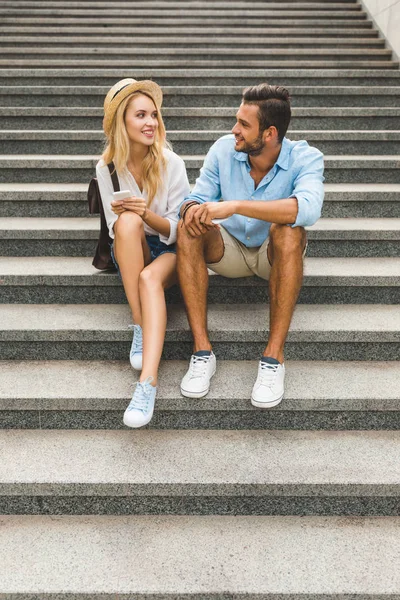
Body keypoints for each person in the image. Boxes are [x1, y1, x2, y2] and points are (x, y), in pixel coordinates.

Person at [177, 83, 324, 408]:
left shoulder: (305, 157)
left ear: (270, 133)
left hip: (273, 256)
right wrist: (191, 210)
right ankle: (202, 352)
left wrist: (235, 205)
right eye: (237, 120)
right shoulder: (223, 150)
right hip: (228, 250)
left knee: (289, 231)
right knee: (187, 228)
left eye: (244, 124)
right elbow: (196, 197)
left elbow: (308, 209)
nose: (235, 130)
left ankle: (273, 358)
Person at [96, 78, 190, 428]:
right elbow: (114, 229)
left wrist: (147, 214)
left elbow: (182, 229)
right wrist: (134, 217)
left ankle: (147, 383)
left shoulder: (171, 163)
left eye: (154, 115)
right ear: (122, 122)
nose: (151, 122)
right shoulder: (106, 167)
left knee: (150, 277)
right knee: (126, 224)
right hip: (133, 246)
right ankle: (140, 321)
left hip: (172, 251)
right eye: (140, 115)